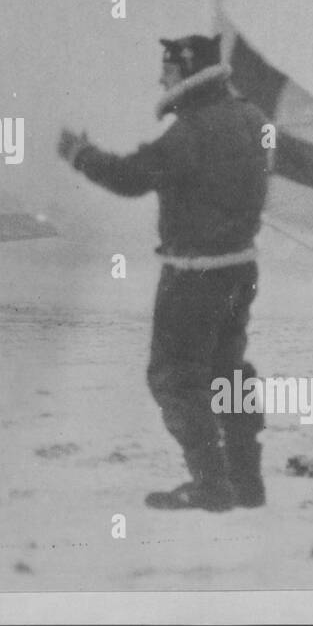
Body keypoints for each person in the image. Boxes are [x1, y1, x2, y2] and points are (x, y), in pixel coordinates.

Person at [59, 34, 270, 511]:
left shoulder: (191, 133)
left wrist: (80, 155)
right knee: (227, 372)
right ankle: (246, 480)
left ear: (188, 72)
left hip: (194, 276)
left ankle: (211, 484)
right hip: (239, 269)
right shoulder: (253, 119)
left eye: (168, 71)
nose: (161, 79)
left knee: (176, 379)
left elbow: (131, 178)